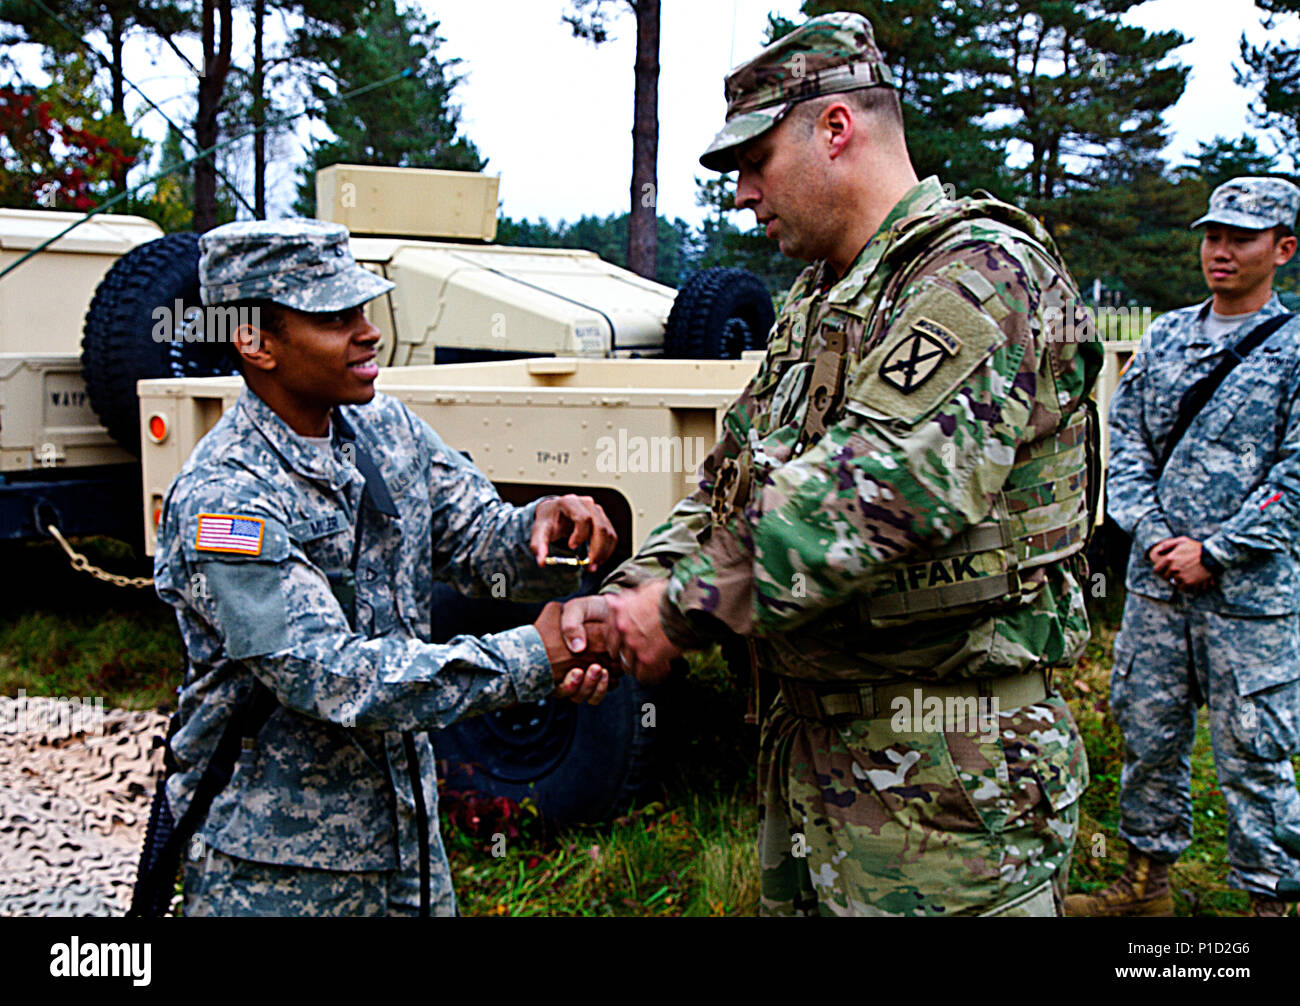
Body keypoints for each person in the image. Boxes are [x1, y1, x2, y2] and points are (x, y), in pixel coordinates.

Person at [562, 11, 1098, 917]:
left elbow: (878, 491)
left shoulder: (979, 275)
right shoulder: (821, 304)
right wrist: (631, 595)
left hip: (949, 789)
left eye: (753, 162)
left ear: (835, 130)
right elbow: (730, 486)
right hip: (815, 769)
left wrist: (681, 608)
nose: (741, 194)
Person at [152, 219, 617, 917]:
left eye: (364, 309)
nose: (368, 332)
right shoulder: (225, 499)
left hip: (410, 850)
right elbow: (332, 675)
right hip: (278, 875)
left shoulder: (386, 431)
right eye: (336, 316)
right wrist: (530, 659)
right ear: (255, 341)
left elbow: (479, 541)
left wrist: (549, 530)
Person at [1067, 177, 1300, 918]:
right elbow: (1125, 439)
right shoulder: (1167, 336)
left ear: (1283, 249)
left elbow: (1297, 475)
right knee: (1148, 733)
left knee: (1255, 754)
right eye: (1212, 235)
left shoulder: (1295, 350)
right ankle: (1146, 888)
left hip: (1250, 596)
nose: (1221, 251)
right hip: (1157, 585)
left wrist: (1218, 550)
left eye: (1242, 237)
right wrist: (1159, 534)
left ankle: (1272, 905)